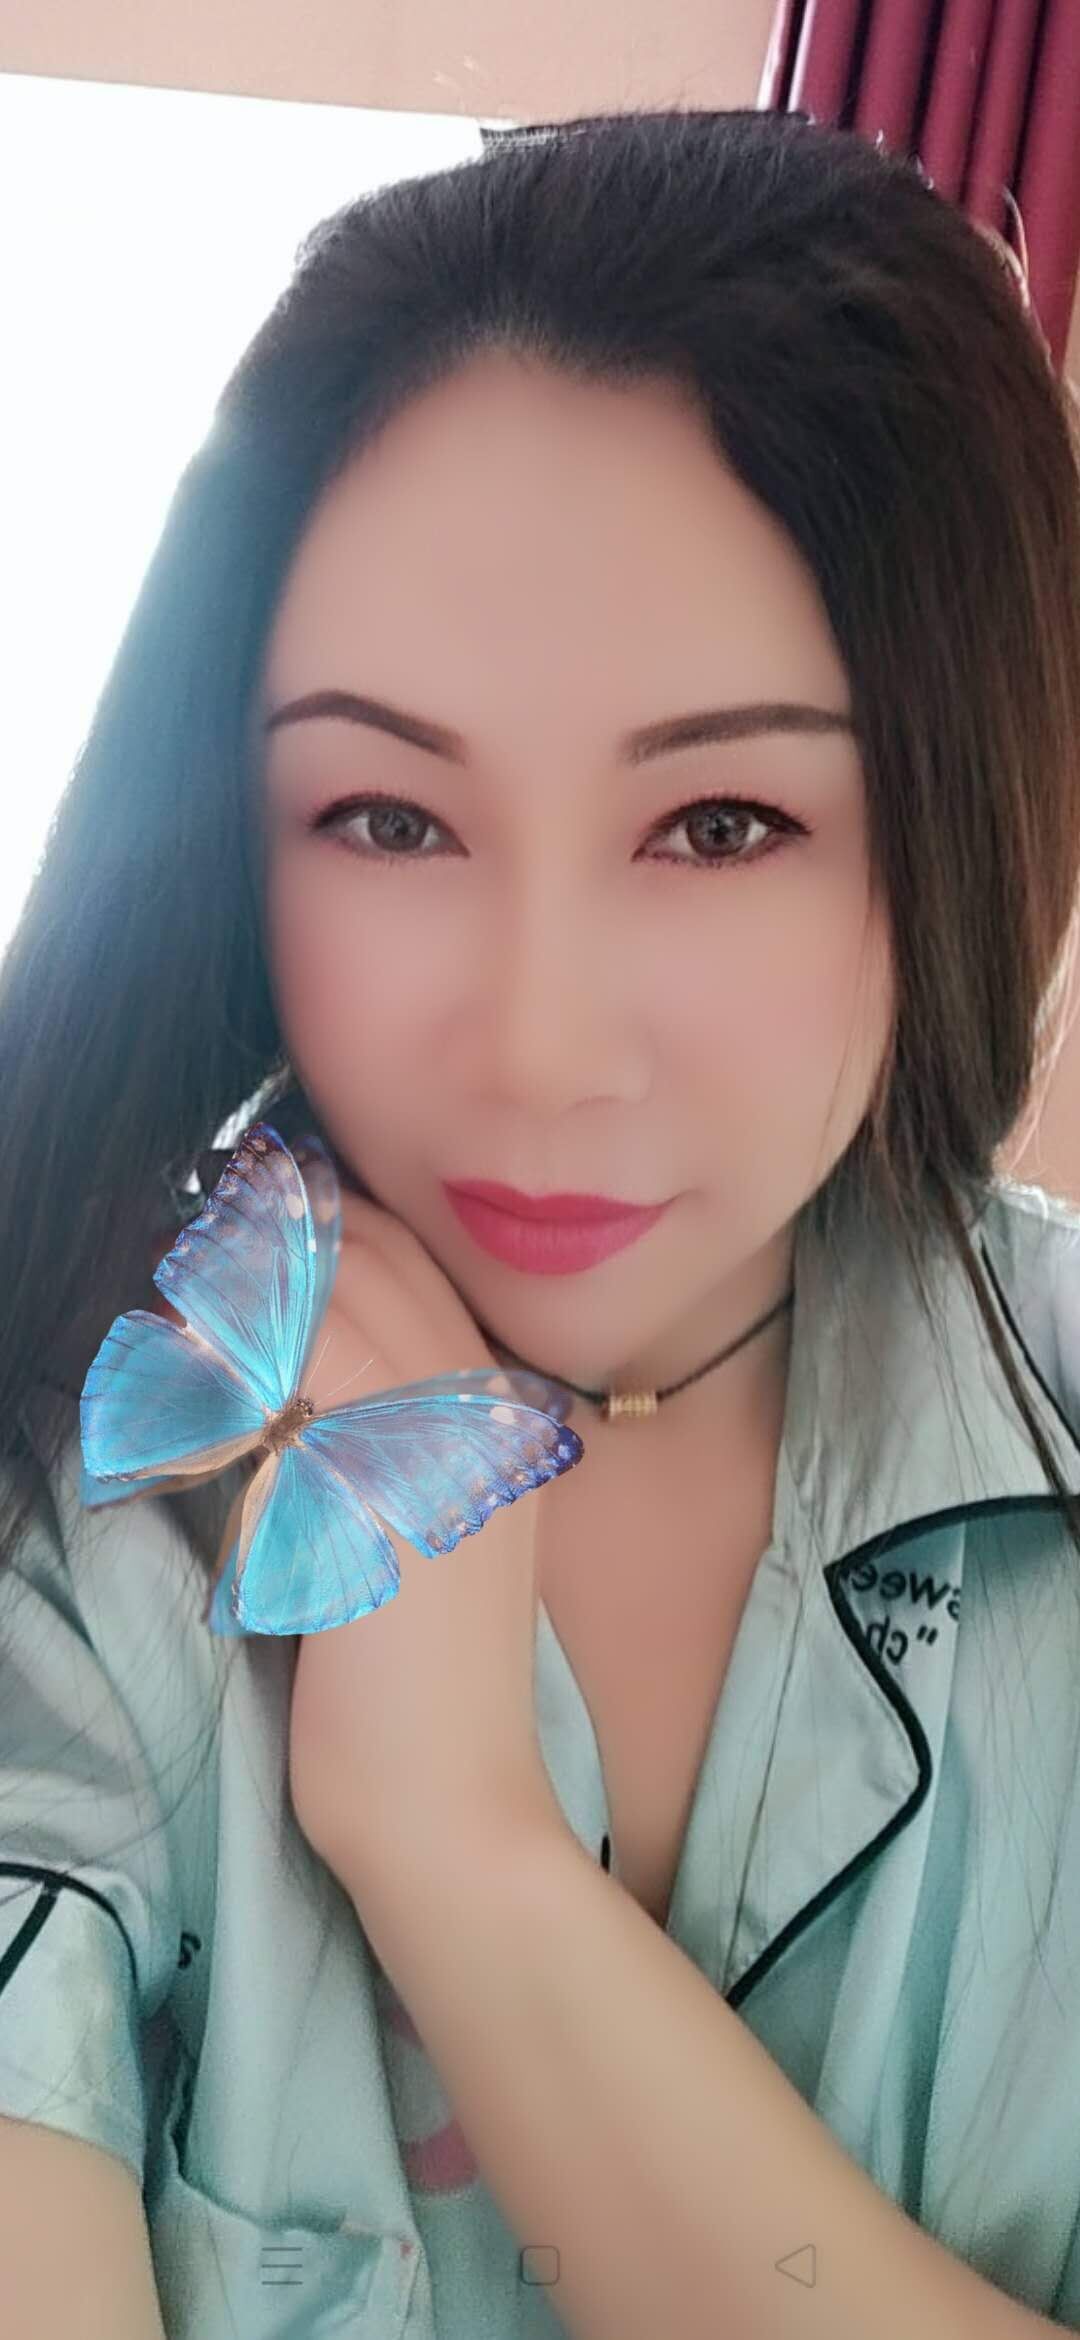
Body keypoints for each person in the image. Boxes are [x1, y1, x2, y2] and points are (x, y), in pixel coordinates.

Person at [1, 104, 1079, 2340]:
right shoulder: (80, 1491)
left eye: (721, 823)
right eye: (388, 816)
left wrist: (463, 1857)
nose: (539, 1048)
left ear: (957, 812)